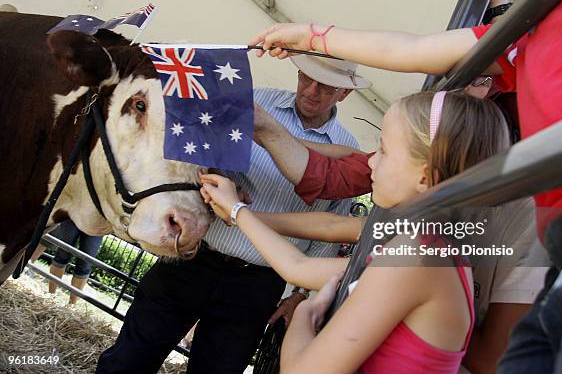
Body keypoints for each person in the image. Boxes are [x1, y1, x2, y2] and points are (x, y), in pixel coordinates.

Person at [248, 0, 562, 371]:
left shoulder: (424, 249)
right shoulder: (527, 42)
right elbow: (407, 51)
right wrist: (312, 37)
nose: (464, 87)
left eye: (475, 82)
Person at [201, 90, 517, 373]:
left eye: (384, 150)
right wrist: (237, 210)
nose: (371, 163)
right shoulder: (427, 249)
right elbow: (300, 267)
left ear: (425, 176)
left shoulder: (417, 259)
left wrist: (306, 315)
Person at [96, 56, 367, 374]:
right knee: (129, 359)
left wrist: (301, 294)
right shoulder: (256, 101)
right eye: (306, 78)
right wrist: (212, 181)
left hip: (257, 284)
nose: (311, 90)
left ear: (344, 94)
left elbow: (331, 226)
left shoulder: (349, 149)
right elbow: (192, 153)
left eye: (325, 86)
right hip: (194, 257)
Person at [29, 220, 103, 305]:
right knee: (62, 254)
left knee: (85, 264)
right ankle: (51, 296)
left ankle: (72, 305)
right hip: (74, 216)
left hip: (98, 224)